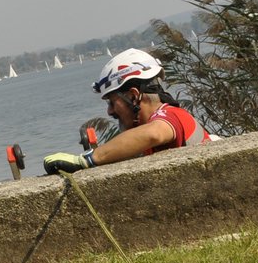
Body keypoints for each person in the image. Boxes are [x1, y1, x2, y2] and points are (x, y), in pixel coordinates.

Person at [43, 48, 211, 174]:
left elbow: (154, 133)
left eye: (111, 102)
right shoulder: (162, 119)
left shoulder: (171, 115)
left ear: (133, 96)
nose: (109, 111)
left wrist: (87, 160)